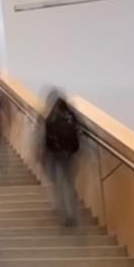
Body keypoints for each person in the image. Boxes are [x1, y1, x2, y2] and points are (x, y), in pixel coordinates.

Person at [43, 91, 83, 226]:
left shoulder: (51, 117)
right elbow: (79, 132)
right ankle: (73, 215)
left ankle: (62, 210)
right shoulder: (71, 115)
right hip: (70, 155)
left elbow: (47, 140)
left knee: (58, 183)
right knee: (70, 184)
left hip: (56, 155)